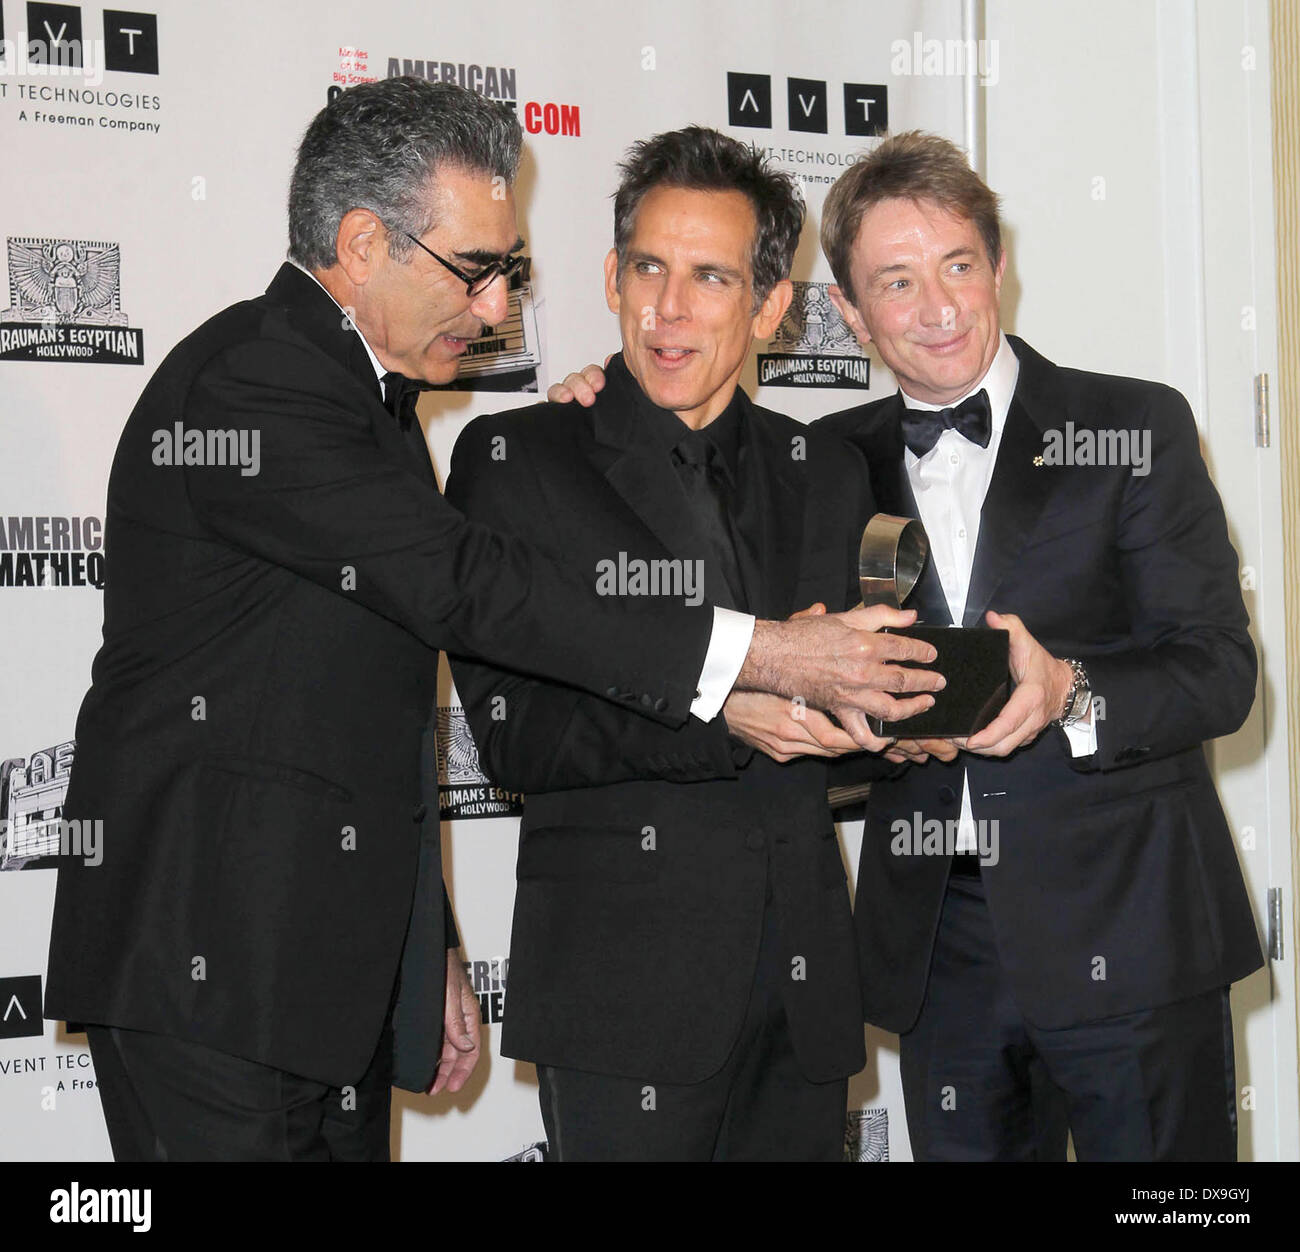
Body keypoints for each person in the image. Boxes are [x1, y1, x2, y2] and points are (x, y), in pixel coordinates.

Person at [41, 79, 943, 1163]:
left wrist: (425, 948)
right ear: (364, 242)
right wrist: (758, 651)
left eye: (506, 274)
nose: (493, 311)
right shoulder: (257, 381)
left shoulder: (366, 405)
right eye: (475, 272)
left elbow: (355, 726)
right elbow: (471, 588)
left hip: (320, 981)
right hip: (211, 964)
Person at [549, 130, 1263, 1162]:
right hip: (937, 949)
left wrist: (1070, 690)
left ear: (998, 268)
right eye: (895, 281)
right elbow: (751, 647)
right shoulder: (817, 462)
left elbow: (1219, 672)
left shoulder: (1132, 426)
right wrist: (600, 400)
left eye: (957, 267)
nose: (937, 308)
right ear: (846, 311)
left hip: (1132, 935)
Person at [446, 127, 893, 1160]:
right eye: (647, 266)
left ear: (772, 306)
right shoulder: (518, 460)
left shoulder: (824, 471)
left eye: (710, 277)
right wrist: (724, 711)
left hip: (804, 987)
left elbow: (856, 700)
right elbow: (514, 736)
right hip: (621, 996)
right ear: (609, 275)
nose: (669, 307)